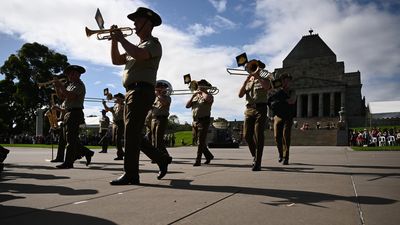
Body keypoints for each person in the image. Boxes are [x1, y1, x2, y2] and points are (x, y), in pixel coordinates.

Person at [109, 7, 172, 185]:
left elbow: (139, 55)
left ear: (148, 23)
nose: (134, 24)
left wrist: (121, 38)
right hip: (131, 92)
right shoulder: (134, 46)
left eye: (137, 20)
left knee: (130, 134)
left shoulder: (153, 44)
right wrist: (114, 41)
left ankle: (131, 174)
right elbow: (115, 60)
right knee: (134, 133)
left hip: (141, 91)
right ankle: (161, 158)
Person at [53, 65, 94, 169]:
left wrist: (61, 86)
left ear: (79, 75)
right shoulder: (70, 85)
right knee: (69, 139)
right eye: (69, 73)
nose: (70, 75)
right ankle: (87, 152)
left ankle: (68, 162)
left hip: (75, 112)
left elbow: (71, 96)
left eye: (73, 73)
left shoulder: (79, 85)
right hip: (69, 113)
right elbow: (62, 96)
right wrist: (57, 87)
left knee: (71, 140)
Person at [238, 60, 271, 171]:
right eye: (251, 68)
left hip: (260, 108)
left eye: (255, 68)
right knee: (247, 135)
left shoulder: (265, 78)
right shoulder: (248, 80)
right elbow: (240, 95)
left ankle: (258, 162)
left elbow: (267, 87)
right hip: (249, 109)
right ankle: (255, 156)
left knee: (259, 135)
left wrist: (258, 77)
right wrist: (245, 82)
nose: (252, 70)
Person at [267, 73, 296, 165]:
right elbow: (269, 102)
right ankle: (281, 154)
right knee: (277, 137)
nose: (285, 82)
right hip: (278, 116)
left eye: (287, 80)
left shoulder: (292, 91)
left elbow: (291, 101)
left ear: (290, 82)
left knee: (286, 136)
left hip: (288, 116)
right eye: (283, 80)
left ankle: (286, 157)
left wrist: (278, 101)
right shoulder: (276, 91)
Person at [186, 79, 215, 166]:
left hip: (204, 120)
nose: (198, 86)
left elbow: (208, 99)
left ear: (204, 86)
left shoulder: (209, 95)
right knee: (196, 140)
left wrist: (202, 92)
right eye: (198, 85)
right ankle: (209, 156)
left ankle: (198, 160)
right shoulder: (196, 96)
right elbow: (187, 106)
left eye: (200, 85)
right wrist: (193, 96)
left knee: (200, 142)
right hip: (195, 121)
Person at [150, 81, 171, 156]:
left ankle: (161, 156)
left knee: (158, 139)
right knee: (153, 139)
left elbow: (164, 103)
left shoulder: (167, 97)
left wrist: (158, 95)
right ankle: (159, 156)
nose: (160, 89)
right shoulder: (155, 98)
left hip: (162, 119)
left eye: (162, 88)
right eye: (159, 88)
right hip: (154, 119)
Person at [103, 93, 125, 160]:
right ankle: (121, 153)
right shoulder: (115, 105)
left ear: (120, 98)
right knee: (115, 140)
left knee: (118, 139)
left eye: (117, 98)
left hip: (121, 123)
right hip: (115, 124)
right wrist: (104, 104)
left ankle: (120, 155)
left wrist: (117, 100)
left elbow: (122, 103)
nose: (115, 99)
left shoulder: (123, 105)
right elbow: (107, 109)